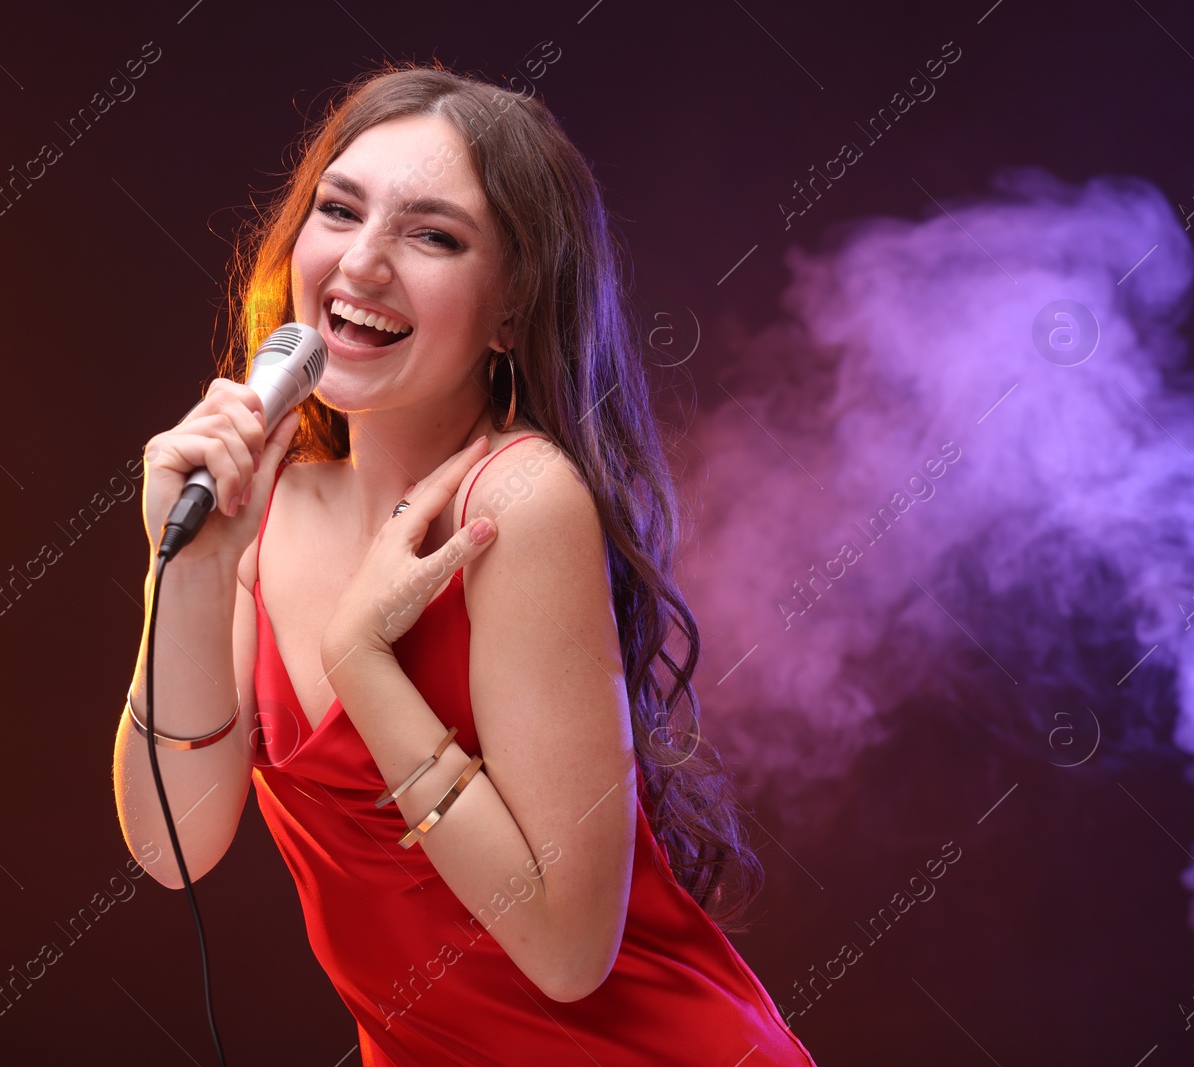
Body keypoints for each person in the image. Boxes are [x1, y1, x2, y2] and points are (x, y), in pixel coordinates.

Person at [112, 63, 817, 1067]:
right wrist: (181, 570)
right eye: (339, 210)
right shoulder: (262, 512)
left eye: (431, 235)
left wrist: (363, 658)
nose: (361, 262)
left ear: (509, 308)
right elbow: (170, 845)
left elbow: (569, 953)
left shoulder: (518, 501)